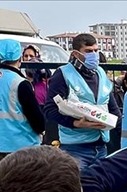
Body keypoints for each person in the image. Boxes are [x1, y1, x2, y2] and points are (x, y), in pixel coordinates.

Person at [43, 33, 120, 170]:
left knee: (98, 188)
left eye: (96, 50)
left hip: (101, 145)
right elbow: (50, 110)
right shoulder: (63, 74)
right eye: (89, 51)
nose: (94, 55)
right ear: (76, 54)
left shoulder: (100, 73)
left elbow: (112, 107)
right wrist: (75, 123)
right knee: (77, 188)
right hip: (75, 147)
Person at [0, 39, 45, 158]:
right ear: (20, 59)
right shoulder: (21, 83)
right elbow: (36, 119)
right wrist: (41, 130)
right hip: (24, 147)